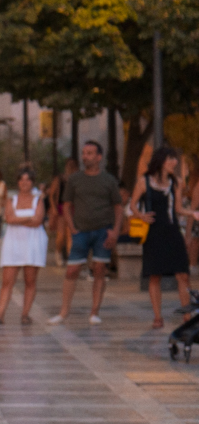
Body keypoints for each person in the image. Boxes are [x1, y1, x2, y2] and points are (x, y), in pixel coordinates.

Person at [49, 141, 126, 325]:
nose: (85, 156)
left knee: (99, 269)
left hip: (103, 231)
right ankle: (63, 312)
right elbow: (66, 205)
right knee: (72, 270)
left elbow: (118, 206)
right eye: (84, 153)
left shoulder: (109, 180)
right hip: (81, 231)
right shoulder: (75, 179)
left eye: (90, 153)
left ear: (99, 157)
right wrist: (71, 227)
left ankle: (94, 312)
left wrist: (115, 231)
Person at [134, 147, 193, 329]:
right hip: (154, 232)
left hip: (172, 231)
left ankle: (187, 316)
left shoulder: (176, 182)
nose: (174, 162)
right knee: (155, 275)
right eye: (171, 158)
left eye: (175, 159)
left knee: (182, 274)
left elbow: (177, 209)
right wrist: (141, 216)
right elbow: (132, 205)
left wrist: (193, 213)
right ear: (161, 160)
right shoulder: (144, 182)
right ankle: (158, 317)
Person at [0, 168, 47, 324]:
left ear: (32, 182)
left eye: (28, 180)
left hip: (32, 242)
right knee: (7, 281)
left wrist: (19, 218)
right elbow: (9, 219)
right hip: (14, 242)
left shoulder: (38, 200)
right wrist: (28, 217)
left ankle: (25, 314)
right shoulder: (11, 200)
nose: (24, 183)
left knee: (30, 280)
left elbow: (38, 221)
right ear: (18, 182)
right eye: (21, 180)